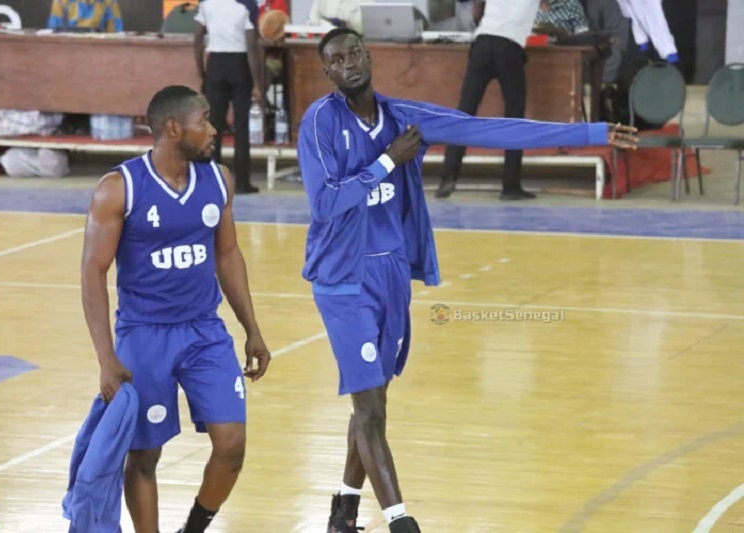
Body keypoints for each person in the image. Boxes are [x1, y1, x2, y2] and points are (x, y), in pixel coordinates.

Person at [296, 27, 638, 533]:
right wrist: (389, 161)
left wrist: (590, 134)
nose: (348, 64)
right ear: (327, 72)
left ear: (369, 56)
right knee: (368, 403)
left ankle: (343, 514)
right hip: (342, 278)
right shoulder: (319, 122)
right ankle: (400, 521)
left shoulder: (402, 116)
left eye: (354, 53)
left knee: (374, 402)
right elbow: (324, 203)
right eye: (336, 60)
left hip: (390, 271)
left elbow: (490, 130)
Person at [80, 85, 271, 533]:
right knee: (144, 456)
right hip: (144, 334)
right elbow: (93, 273)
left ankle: (193, 529)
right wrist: (107, 359)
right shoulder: (118, 188)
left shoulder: (218, 180)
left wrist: (252, 328)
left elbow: (227, 256)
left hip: (204, 330)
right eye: (204, 121)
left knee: (232, 444)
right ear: (173, 128)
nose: (213, 129)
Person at [434, 0, 540, 201]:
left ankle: (448, 177)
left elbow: (477, 10)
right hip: (509, 47)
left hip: (482, 42)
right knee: (514, 118)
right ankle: (510, 186)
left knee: (463, 114)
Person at [194, 0, 262, 194]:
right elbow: (251, 46)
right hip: (239, 64)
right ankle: (242, 182)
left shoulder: (207, 4)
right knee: (241, 126)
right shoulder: (246, 5)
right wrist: (257, 82)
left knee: (213, 126)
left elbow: (197, 38)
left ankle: (212, 180)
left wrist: (202, 73)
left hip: (215, 64)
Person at [48, 0, 123, 32]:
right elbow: (53, 37)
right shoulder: (60, 1)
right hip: (68, 53)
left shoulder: (110, 2)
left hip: (100, 54)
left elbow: (116, 37)